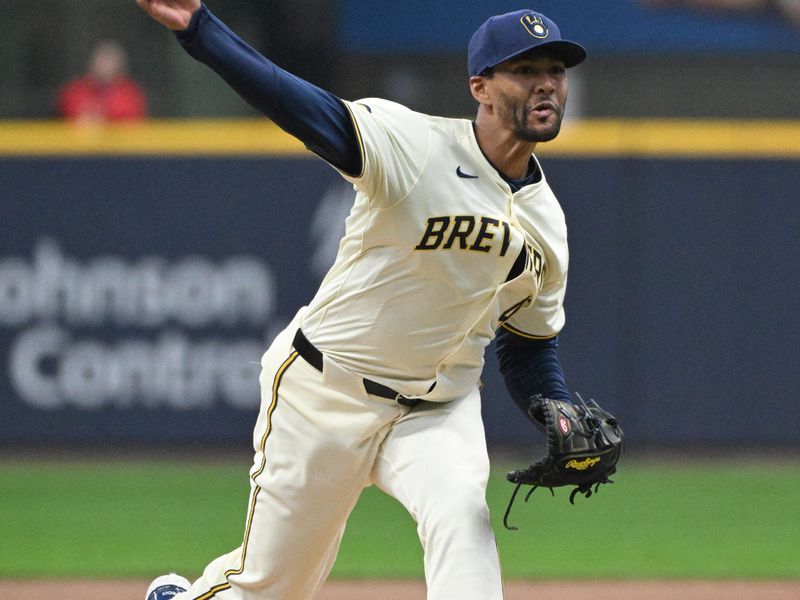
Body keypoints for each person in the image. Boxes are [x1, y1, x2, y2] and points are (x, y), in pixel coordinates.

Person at [137, 2, 591, 599]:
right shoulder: (414, 145)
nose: (546, 83)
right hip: (327, 390)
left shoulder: (548, 224)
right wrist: (201, 30)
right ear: (480, 87)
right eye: (525, 69)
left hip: (437, 410)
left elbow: (529, 348)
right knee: (272, 588)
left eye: (555, 70)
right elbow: (302, 108)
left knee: (463, 524)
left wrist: (553, 409)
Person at [57, 40, 147, 122]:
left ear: (118, 66)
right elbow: (68, 108)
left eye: (109, 62)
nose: (105, 65)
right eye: (102, 61)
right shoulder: (78, 88)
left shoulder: (129, 91)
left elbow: (131, 114)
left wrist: (103, 114)